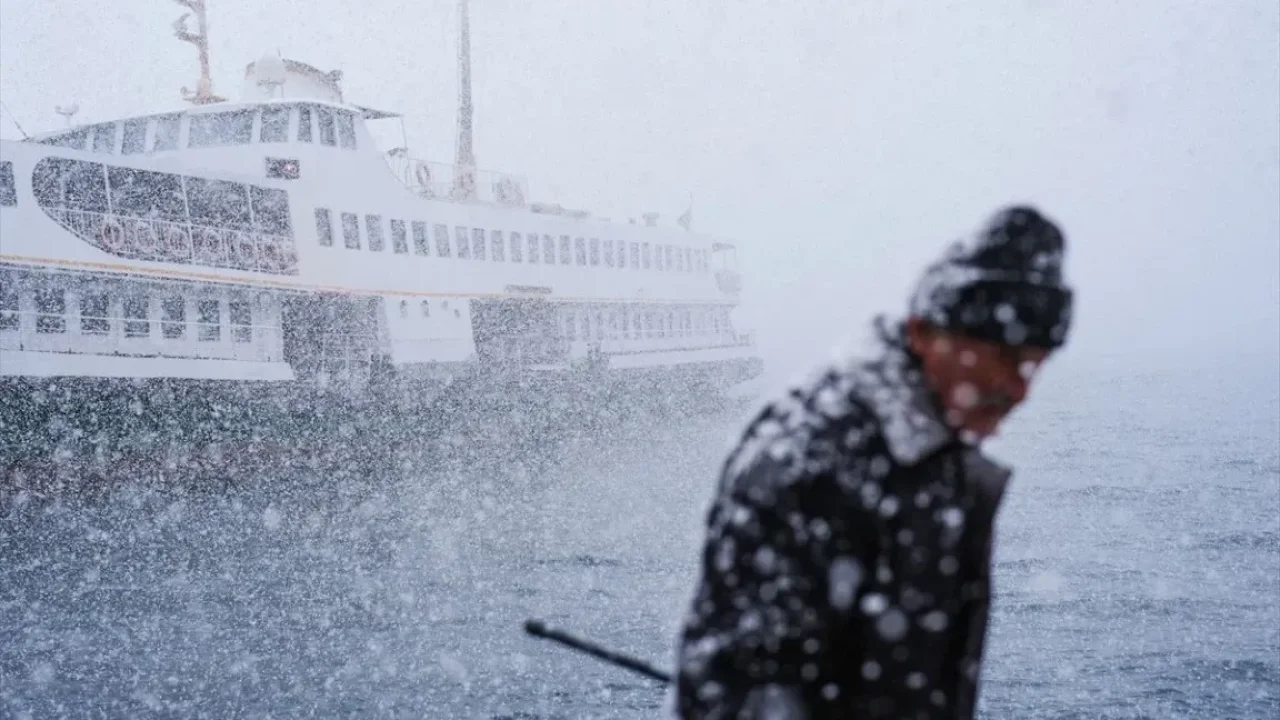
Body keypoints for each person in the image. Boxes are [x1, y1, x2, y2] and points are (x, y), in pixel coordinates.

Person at [670, 205, 1074, 719]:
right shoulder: (809, 463)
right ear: (925, 333)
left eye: (1035, 365)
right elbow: (736, 694)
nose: (1020, 390)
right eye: (1002, 359)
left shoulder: (927, 449)